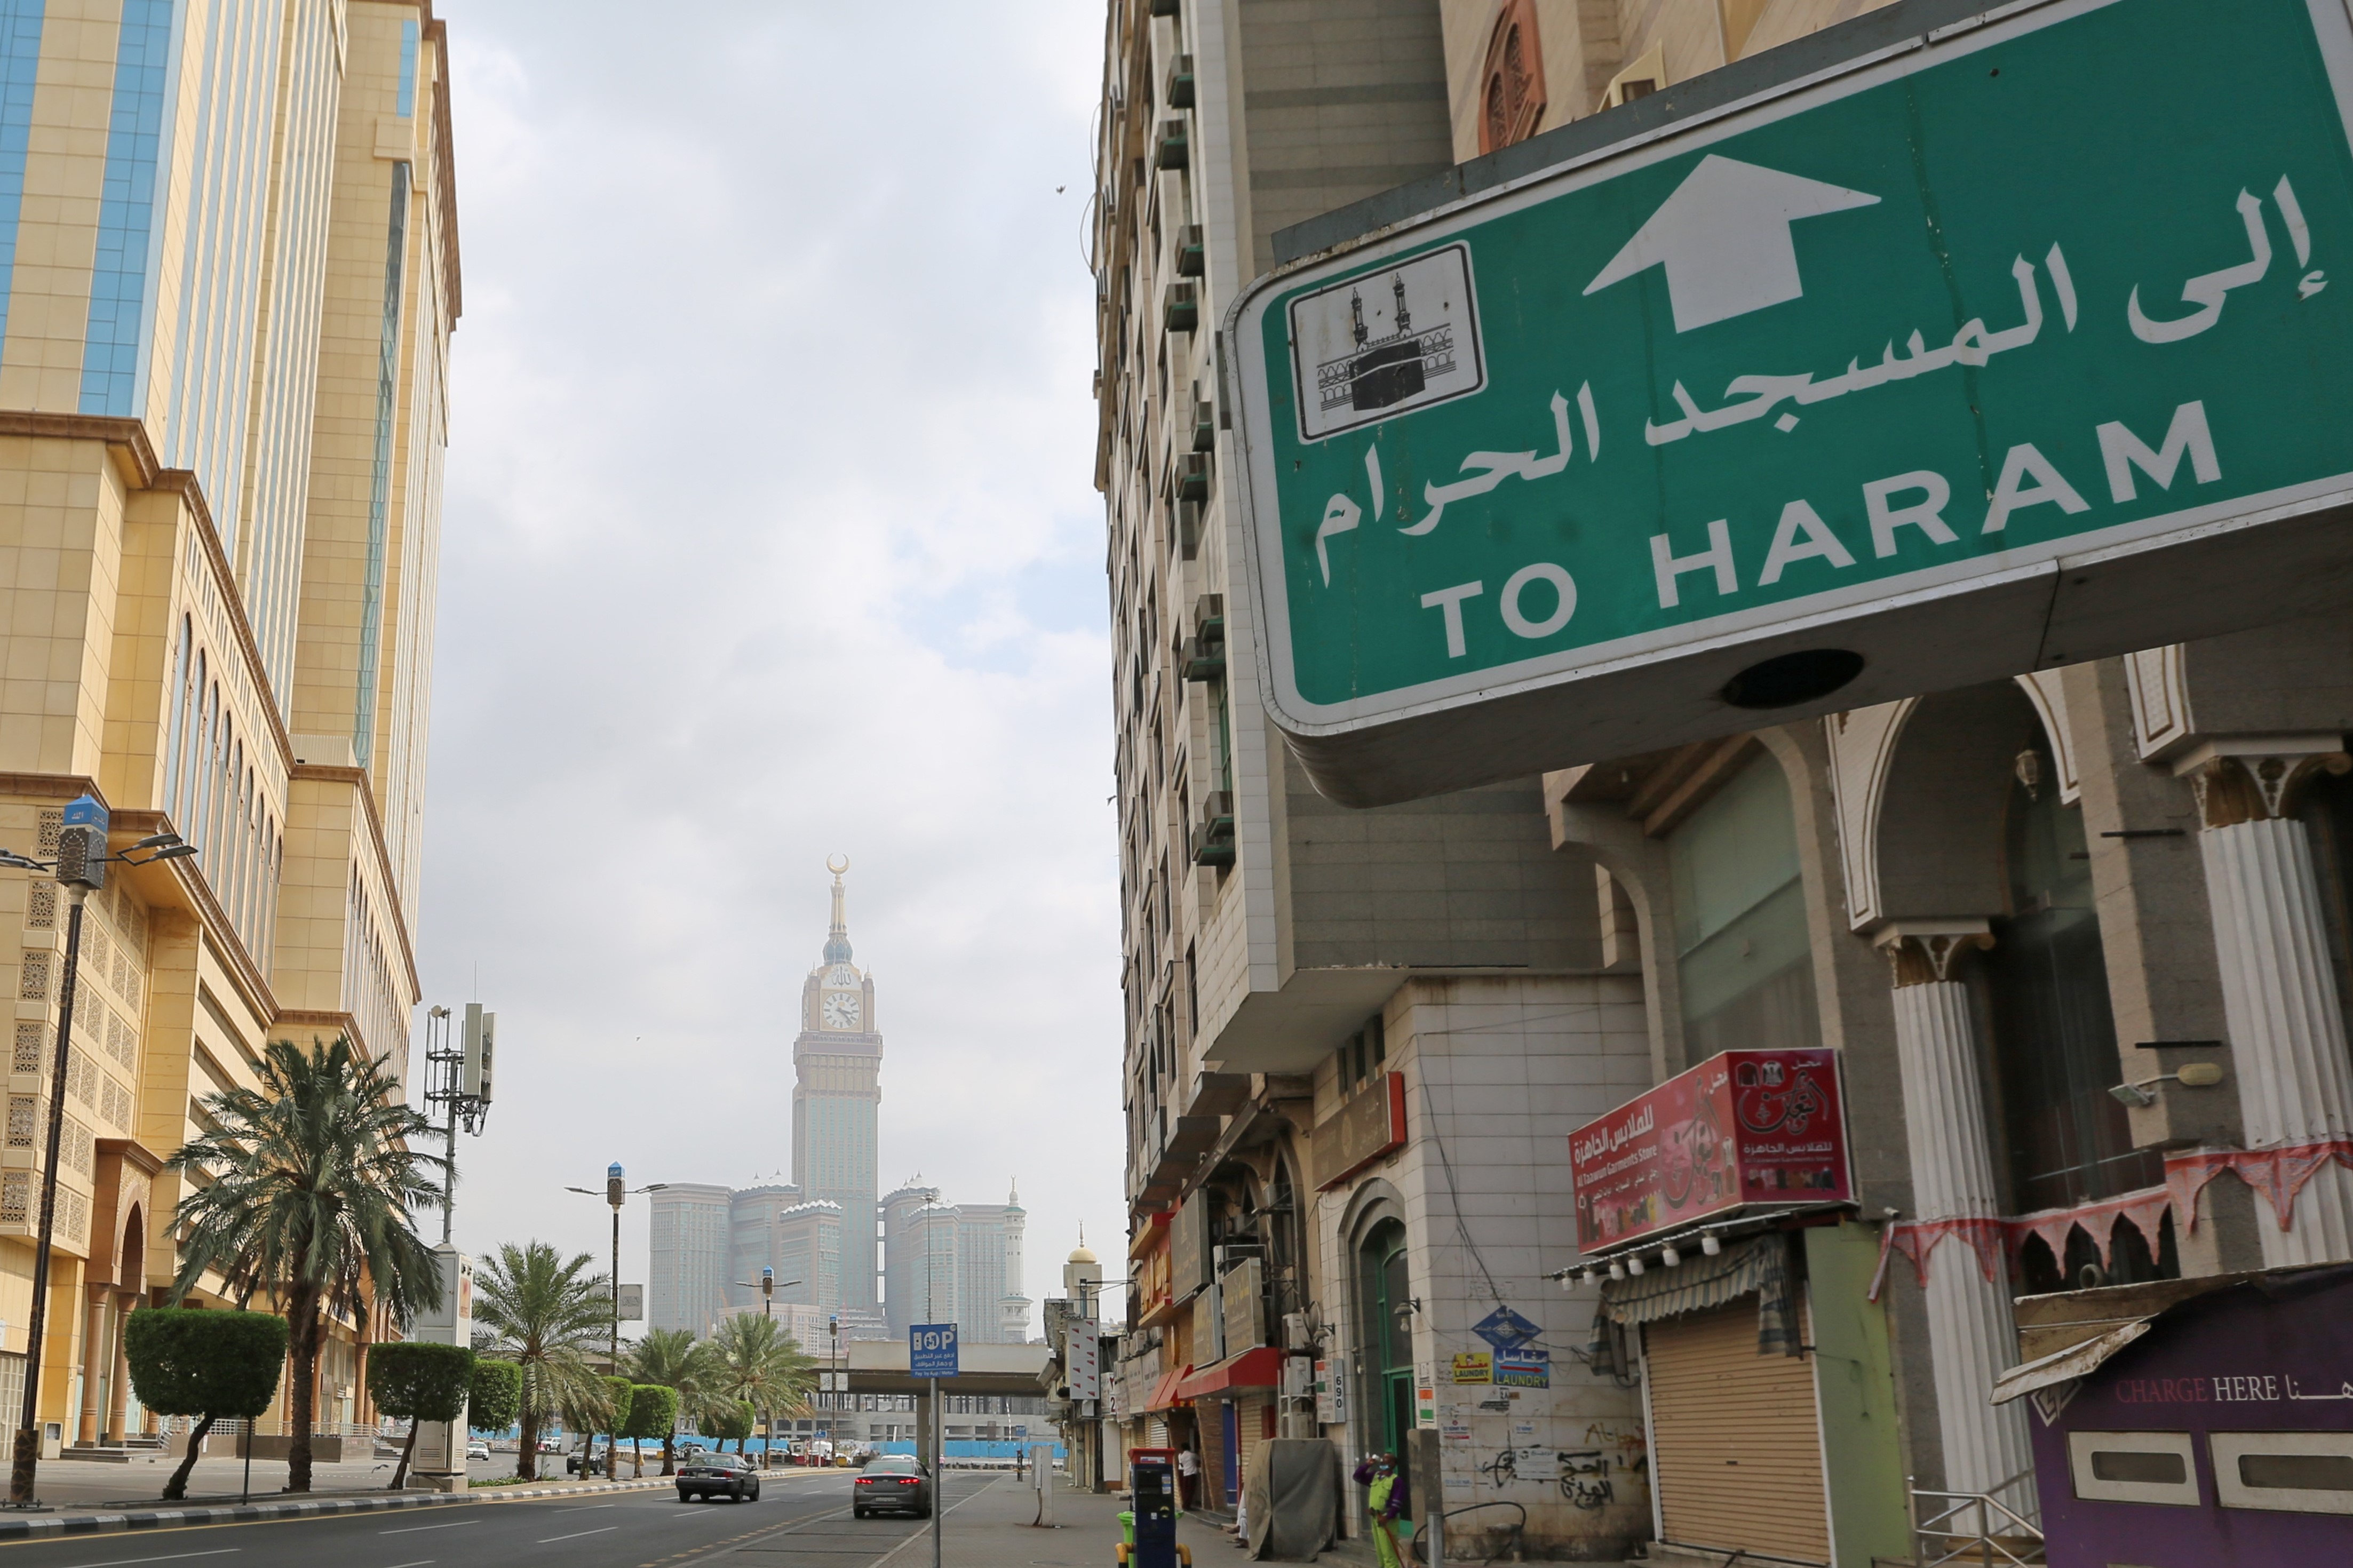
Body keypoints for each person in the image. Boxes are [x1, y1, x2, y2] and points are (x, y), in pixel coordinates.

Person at [1364, 1453, 1403, 1568]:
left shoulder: (1396, 1480)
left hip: (1387, 1520)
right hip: (1376, 1518)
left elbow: (1397, 1503)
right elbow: (1358, 1476)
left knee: (1389, 1554)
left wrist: (1387, 1517)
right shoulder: (1376, 1476)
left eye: (1387, 1459)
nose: (1383, 1460)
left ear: (1393, 1464)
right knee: (1381, 1555)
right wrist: (1367, 1465)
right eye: (1383, 1458)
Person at [1177, 1442, 1200, 1511]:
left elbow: (1182, 1465)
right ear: (1189, 1447)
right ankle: (1187, 1506)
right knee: (1191, 1490)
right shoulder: (1192, 1455)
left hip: (1185, 1474)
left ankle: (1185, 1505)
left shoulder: (1182, 1456)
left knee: (1186, 1490)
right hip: (1192, 1473)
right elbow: (1199, 1459)